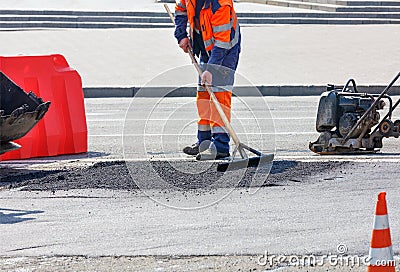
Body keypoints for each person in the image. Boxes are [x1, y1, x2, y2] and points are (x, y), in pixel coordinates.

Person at [174, 0, 241, 161]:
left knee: (219, 97)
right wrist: (181, 36)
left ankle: (220, 147)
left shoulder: (221, 4)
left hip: (225, 52)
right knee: (204, 96)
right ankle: (204, 142)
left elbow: (223, 42)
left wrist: (211, 70)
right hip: (204, 47)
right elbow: (180, 10)